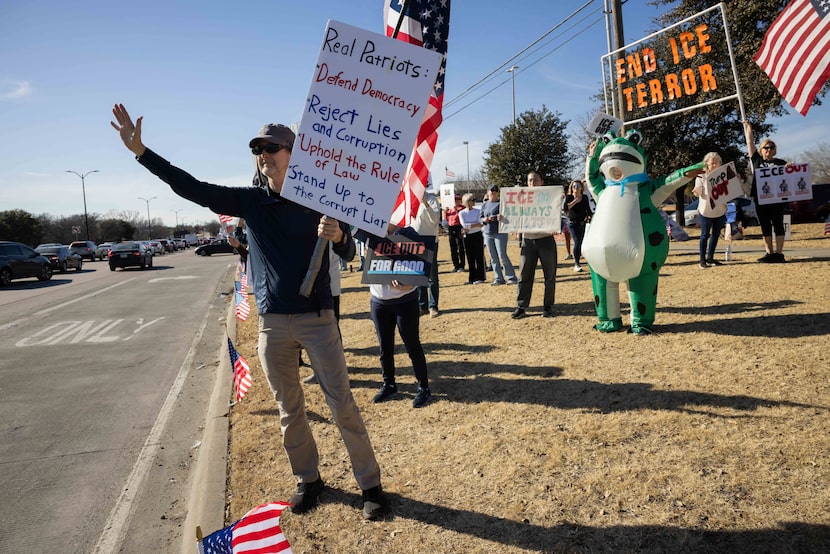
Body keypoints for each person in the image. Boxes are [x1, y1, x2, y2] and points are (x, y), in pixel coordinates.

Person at [110, 104, 387, 520]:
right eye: (258, 147)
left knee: (341, 403)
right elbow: (194, 188)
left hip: (318, 319)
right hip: (272, 324)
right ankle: (309, 480)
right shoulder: (251, 203)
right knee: (288, 407)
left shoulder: (321, 200)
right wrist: (142, 153)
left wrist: (341, 235)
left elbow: (348, 253)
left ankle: (371, 487)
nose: (263, 153)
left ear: (294, 152)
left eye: (271, 146)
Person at [367, 227, 433, 409]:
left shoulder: (408, 233)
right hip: (379, 301)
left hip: (404, 301)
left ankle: (424, 387)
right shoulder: (370, 232)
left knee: (412, 345)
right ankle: (389, 384)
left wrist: (412, 283)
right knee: (384, 347)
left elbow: (423, 263)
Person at [513, 172, 558, 319]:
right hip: (528, 240)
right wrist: (504, 217)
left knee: (549, 275)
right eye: (529, 180)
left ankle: (548, 307)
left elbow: (558, 212)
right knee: (524, 275)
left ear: (541, 182)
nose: (531, 183)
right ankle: (521, 306)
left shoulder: (550, 198)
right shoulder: (521, 199)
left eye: (534, 180)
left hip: (545, 239)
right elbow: (514, 215)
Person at [743, 121, 789, 263]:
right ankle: (769, 253)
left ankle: (779, 253)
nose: (768, 150)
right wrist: (749, 128)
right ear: (761, 150)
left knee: (778, 224)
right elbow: (749, 142)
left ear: (774, 150)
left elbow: (789, 177)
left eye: (771, 147)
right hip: (761, 199)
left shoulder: (781, 162)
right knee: (765, 226)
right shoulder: (756, 160)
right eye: (765, 148)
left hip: (777, 200)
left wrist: (791, 168)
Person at [693, 152, 728, 268]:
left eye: (716, 163)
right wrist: (697, 191)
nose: (714, 165)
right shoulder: (701, 176)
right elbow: (698, 190)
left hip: (720, 209)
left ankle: (710, 258)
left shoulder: (724, 175)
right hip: (705, 210)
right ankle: (702, 260)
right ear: (706, 163)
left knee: (716, 234)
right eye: (712, 163)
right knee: (704, 235)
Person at [480, 185, 517, 285]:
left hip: (500, 232)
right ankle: (498, 278)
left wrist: (498, 217)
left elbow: (508, 215)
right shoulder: (484, 205)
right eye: (491, 190)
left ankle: (511, 277)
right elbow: (480, 217)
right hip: (488, 232)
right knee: (493, 257)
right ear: (487, 192)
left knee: (502, 255)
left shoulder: (501, 203)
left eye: (495, 190)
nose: (493, 192)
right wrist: (484, 219)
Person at [412, 189, 441, 317]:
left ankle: (433, 306)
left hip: (430, 241)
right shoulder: (412, 198)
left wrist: (425, 202)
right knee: (419, 275)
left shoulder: (432, 199)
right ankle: (422, 305)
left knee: (432, 276)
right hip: (415, 241)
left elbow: (435, 219)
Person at [458, 193, 486, 284]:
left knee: (479, 256)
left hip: (477, 235)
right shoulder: (461, 213)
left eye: (474, 200)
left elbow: (480, 223)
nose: (474, 202)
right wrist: (474, 225)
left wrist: (469, 226)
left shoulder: (478, 211)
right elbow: (464, 225)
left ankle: (481, 277)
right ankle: (472, 278)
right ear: (467, 202)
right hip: (468, 237)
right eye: (472, 200)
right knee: (470, 258)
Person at [565, 180, 591, 272]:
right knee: (576, 241)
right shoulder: (569, 197)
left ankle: (579, 259)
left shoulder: (584, 197)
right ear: (571, 188)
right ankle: (576, 263)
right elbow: (566, 208)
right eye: (574, 186)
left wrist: (590, 216)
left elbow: (588, 209)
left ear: (581, 188)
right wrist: (575, 201)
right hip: (572, 223)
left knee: (581, 242)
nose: (576, 188)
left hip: (582, 223)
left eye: (578, 186)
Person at [443, 194, 466, 272]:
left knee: (460, 247)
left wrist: (457, 211)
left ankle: (462, 265)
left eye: (458, 199)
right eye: (455, 199)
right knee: (453, 248)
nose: (456, 201)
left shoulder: (462, 208)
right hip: (451, 227)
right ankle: (456, 265)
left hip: (459, 227)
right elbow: (447, 219)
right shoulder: (450, 209)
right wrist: (445, 212)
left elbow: (463, 217)